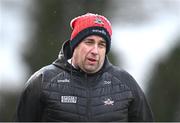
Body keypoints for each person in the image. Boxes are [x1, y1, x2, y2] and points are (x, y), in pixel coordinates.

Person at [15, 13, 154, 122]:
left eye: (101, 45)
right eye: (89, 42)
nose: (95, 50)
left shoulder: (126, 83)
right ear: (75, 45)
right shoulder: (42, 81)